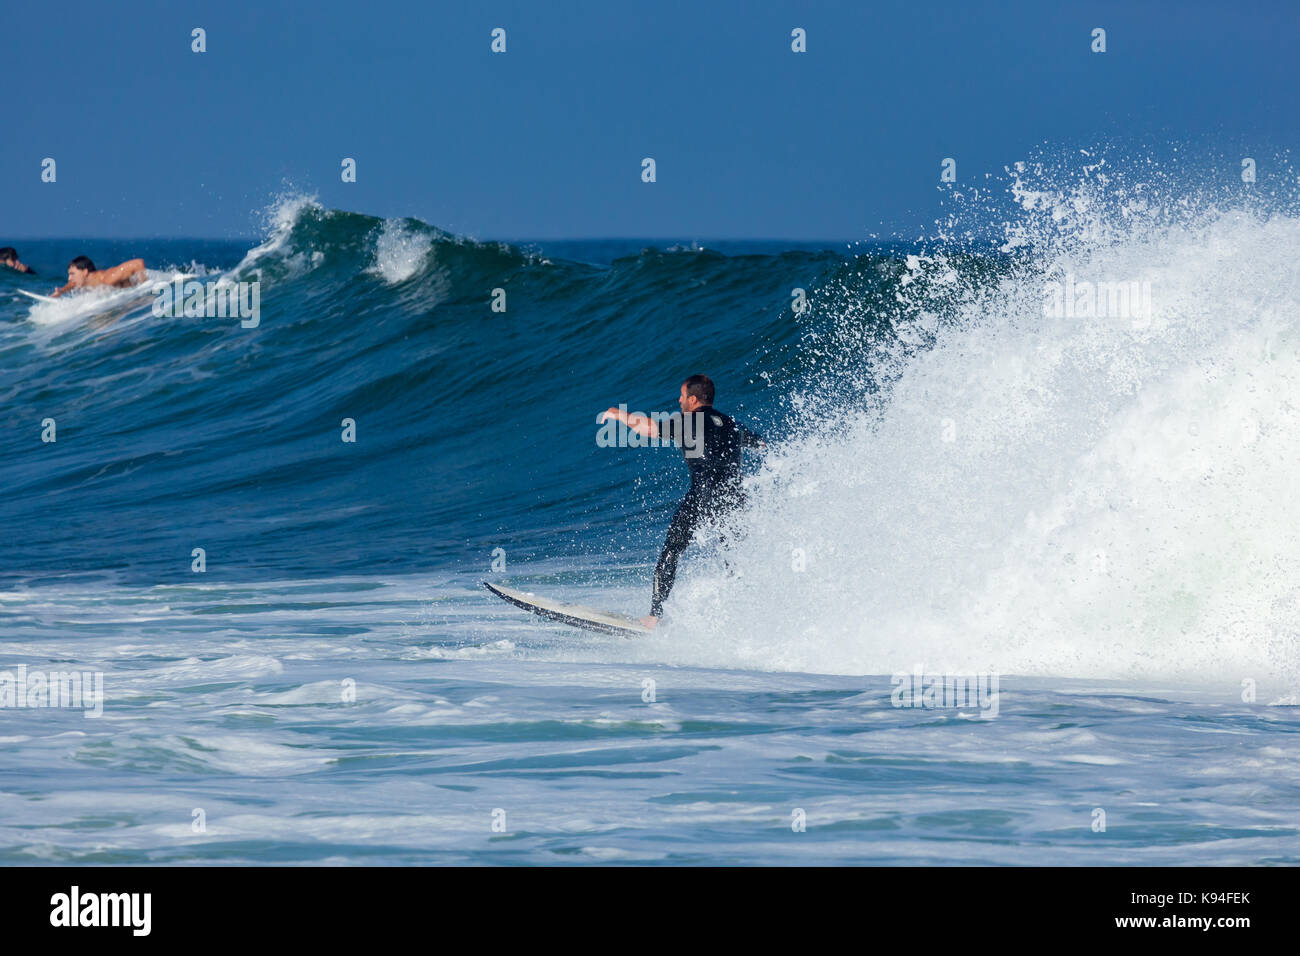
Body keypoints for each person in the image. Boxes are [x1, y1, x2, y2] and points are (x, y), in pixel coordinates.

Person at [601, 374, 765, 628]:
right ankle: (743, 617)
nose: (678, 400)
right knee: (734, 558)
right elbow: (761, 443)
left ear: (692, 399)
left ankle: (654, 617)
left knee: (671, 552)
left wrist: (617, 414)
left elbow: (648, 428)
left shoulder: (687, 421)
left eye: (681, 396)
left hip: (704, 495)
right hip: (735, 498)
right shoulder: (731, 423)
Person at [52, 256, 146, 298]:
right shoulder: (84, 281)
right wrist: (61, 291)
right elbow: (72, 284)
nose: (69, 278)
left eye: (72, 274)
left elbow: (138, 263)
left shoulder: (106, 279)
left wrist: (144, 290)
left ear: (85, 272)